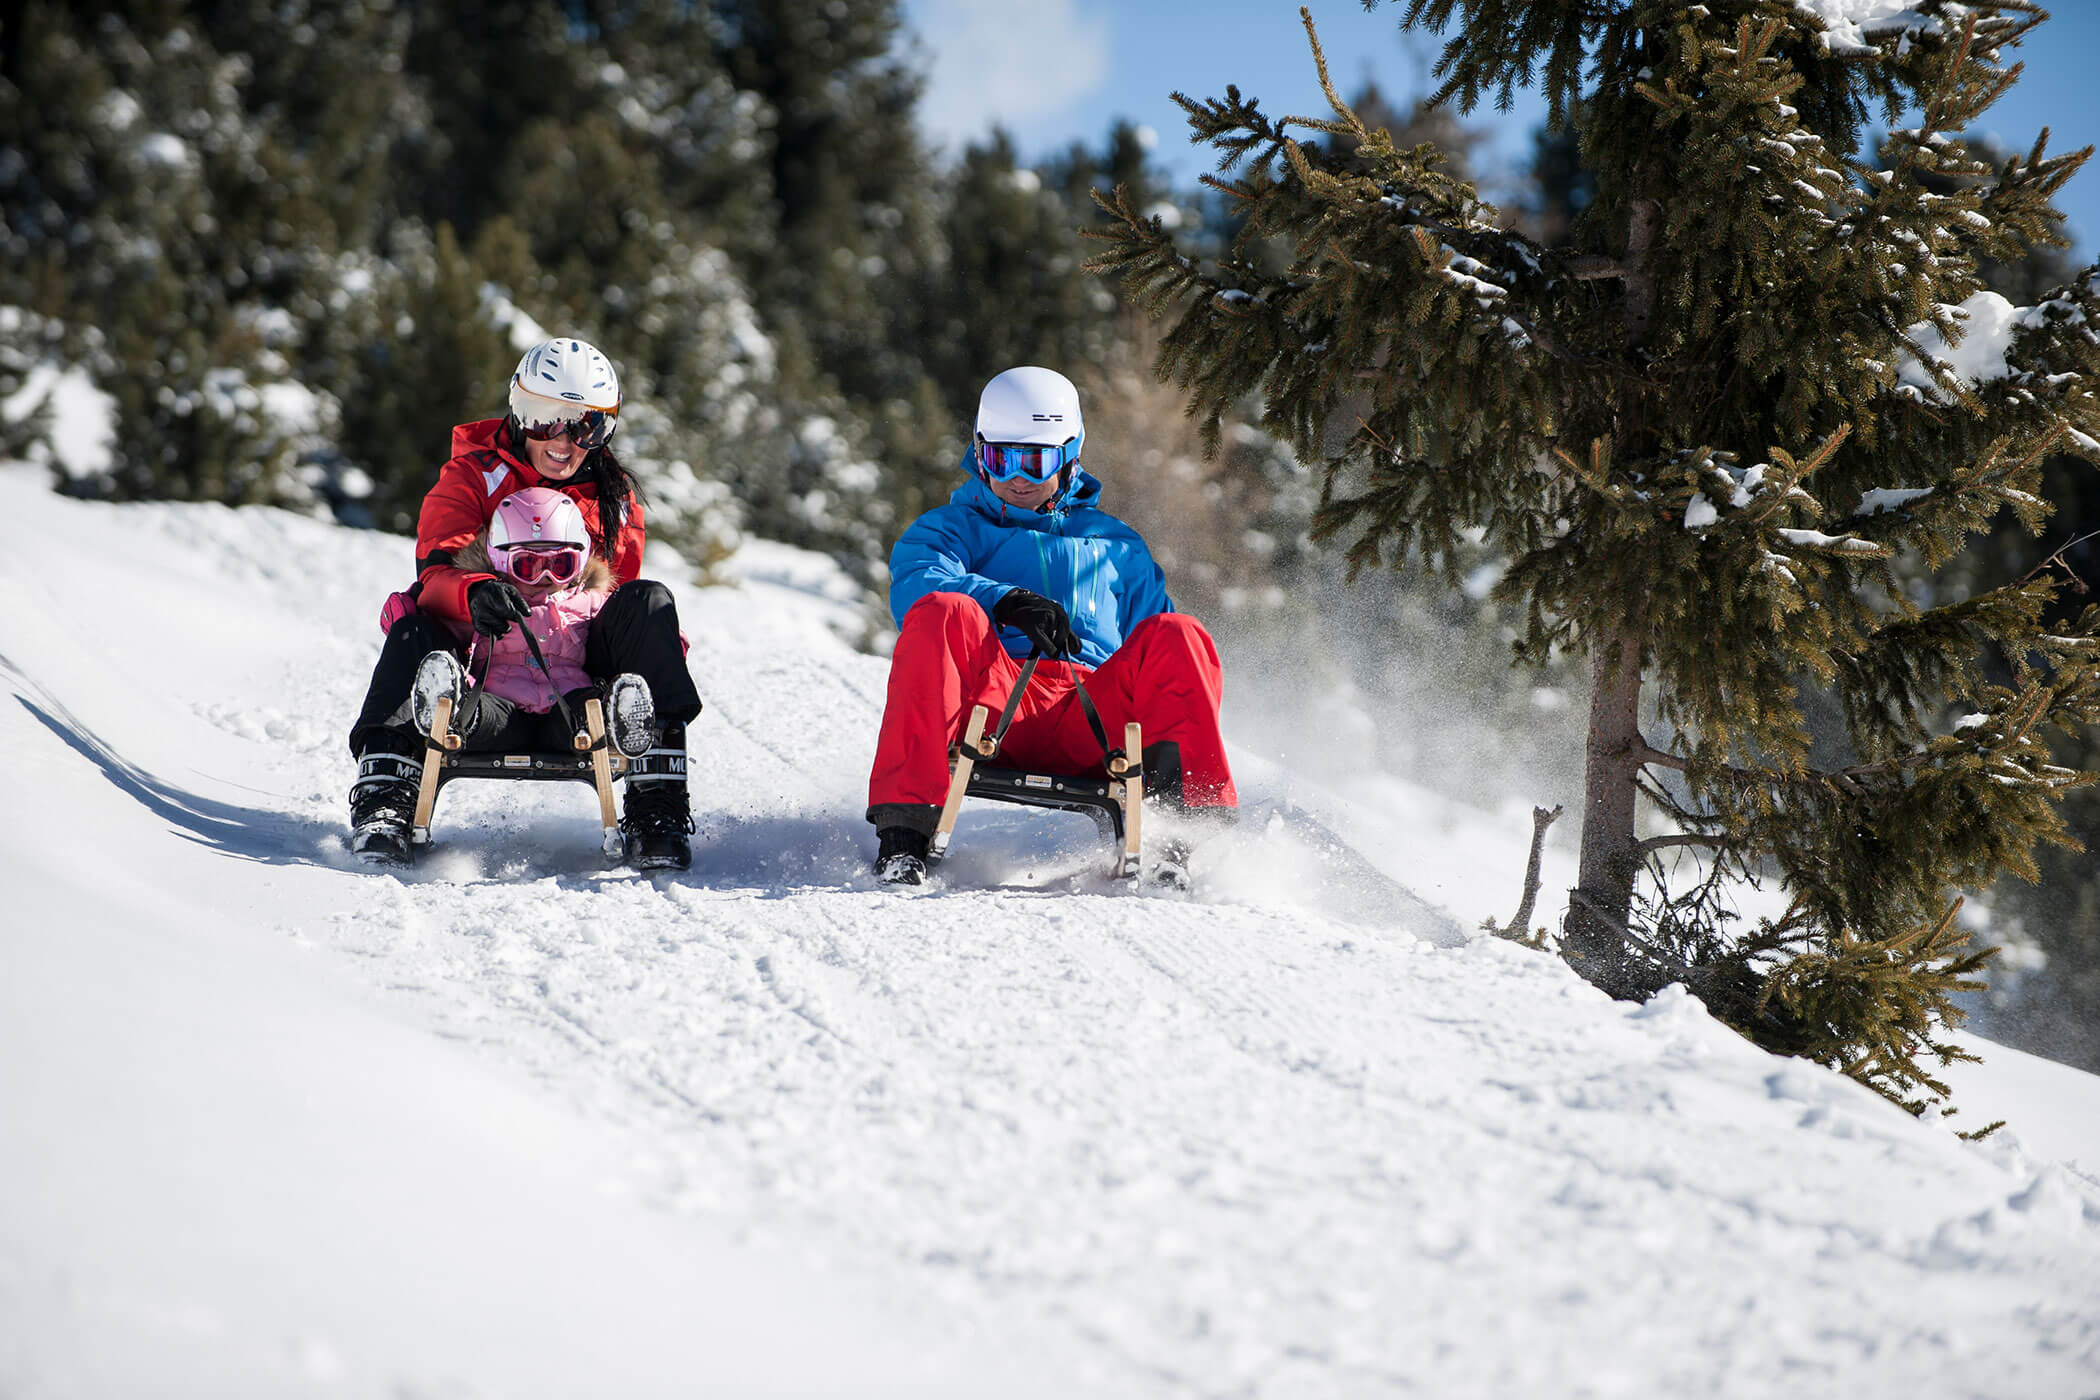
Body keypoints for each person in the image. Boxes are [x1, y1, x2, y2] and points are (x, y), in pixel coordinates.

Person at [866, 365, 1238, 886]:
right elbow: (918, 586)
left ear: (1070, 456)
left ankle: (1180, 839)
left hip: (1093, 718)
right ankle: (904, 839)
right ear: (979, 454)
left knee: (1180, 635)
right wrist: (1004, 600)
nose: (1016, 477)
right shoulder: (950, 530)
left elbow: (1167, 665)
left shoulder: (1117, 546)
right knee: (942, 611)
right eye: (1000, 458)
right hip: (995, 705)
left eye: (1035, 460)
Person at [347, 337, 702, 869]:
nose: (564, 441)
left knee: (649, 602)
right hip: (483, 673)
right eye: (544, 419)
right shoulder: (473, 477)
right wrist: (474, 592)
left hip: (575, 692)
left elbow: (615, 605)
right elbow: (434, 572)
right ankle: (386, 796)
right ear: (518, 411)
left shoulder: (612, 497)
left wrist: (653, 646)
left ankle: (657, 802)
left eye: (587, 426)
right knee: (413, 625)